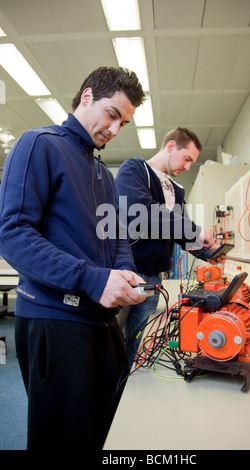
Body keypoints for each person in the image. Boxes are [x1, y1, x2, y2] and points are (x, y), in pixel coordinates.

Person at [0, 66, 147, 450]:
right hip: (55, 321)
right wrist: (93, 279)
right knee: (64, 438)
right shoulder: (40, 144)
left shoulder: (103, 173)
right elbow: (13, 233)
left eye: (124, 123)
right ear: (86, 97)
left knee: (108, 431)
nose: (115, 130)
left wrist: (126, 273)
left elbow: (116, 239)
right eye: (112, 114)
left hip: (101, 323)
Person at [115, 127, 223, 367]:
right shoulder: (135, 170)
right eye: (187, 159)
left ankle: (127, 391)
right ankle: (106, 395)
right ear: (171, 146)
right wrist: (195, 231)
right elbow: (142, 213)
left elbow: (178, 233)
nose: (187, 167)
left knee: (137, 339)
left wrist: (207, 252)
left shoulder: (177, 189)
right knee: (111, 338)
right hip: (126, 273)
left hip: (154, 277)